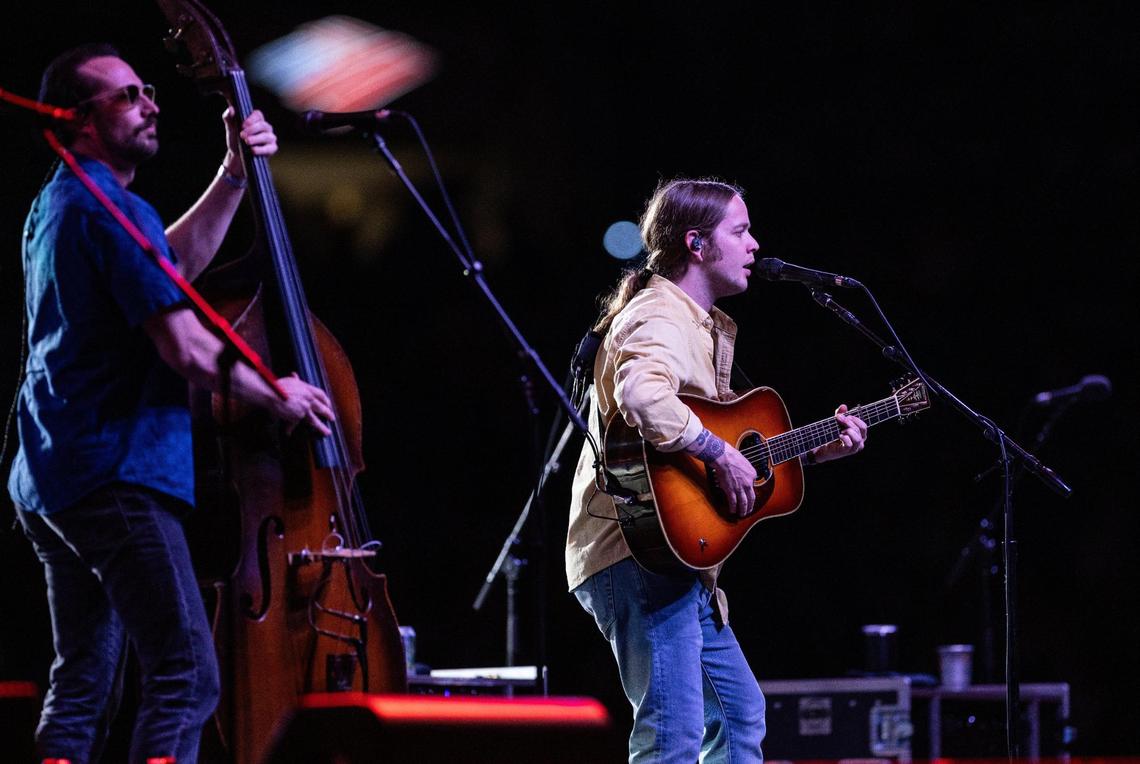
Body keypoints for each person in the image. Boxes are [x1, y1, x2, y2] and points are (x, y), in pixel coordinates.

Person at [8, 44, 334, 764]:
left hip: (55, 478)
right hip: (113, 473)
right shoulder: (108, 210)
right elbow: (185, 345)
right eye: (127, 96)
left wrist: (231, 177)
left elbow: (166, 271)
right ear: (79, 120)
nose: (151, 103)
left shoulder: (65, 203)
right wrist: (276, 393)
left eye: (147, 89)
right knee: (186, 676)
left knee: (83, 685)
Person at [567, 178, 869, 762]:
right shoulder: (660, 316)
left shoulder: (698, 326)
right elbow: (643, 395)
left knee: (737, 716)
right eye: (741, 232)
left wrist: (813, 450)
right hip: (635, 553)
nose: (755, 245)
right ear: (698, 244)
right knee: (673, 735)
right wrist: (717, 451)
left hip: (672, 560)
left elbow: (724, 442)